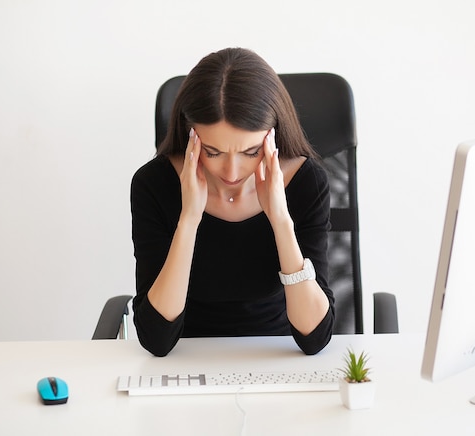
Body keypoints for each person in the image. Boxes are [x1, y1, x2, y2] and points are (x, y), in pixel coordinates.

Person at [131, 47, 335, 357]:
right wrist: (189, 218)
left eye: (250, 152)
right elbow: (156, 340)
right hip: (186, 360)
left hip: (275, 358)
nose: (231, 171)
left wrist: (280, 218)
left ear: (273, 137)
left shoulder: (307, 182)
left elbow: (314, 338)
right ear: (190, 136)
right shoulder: (154, 184)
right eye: (213, 152)